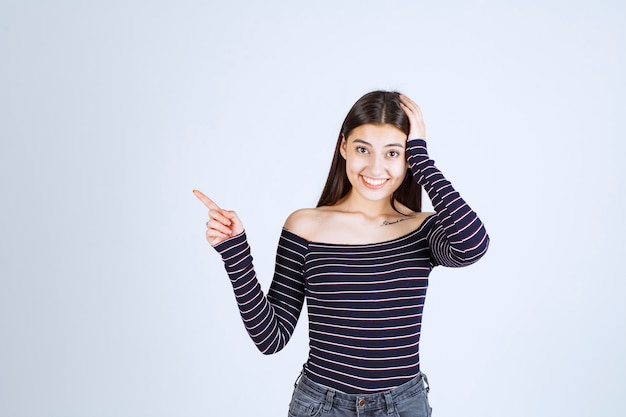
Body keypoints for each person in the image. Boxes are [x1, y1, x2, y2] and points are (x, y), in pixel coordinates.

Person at [193, 91, 489, 417]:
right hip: (321, 405)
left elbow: (473, 244)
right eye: (363, 149)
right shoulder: (306, 226)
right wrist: (235, 252)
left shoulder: (422, 229)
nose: (376, 167)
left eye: (393, 152)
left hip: (403, 406)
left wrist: (421, 157)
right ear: (344, 146)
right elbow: (271, 338)